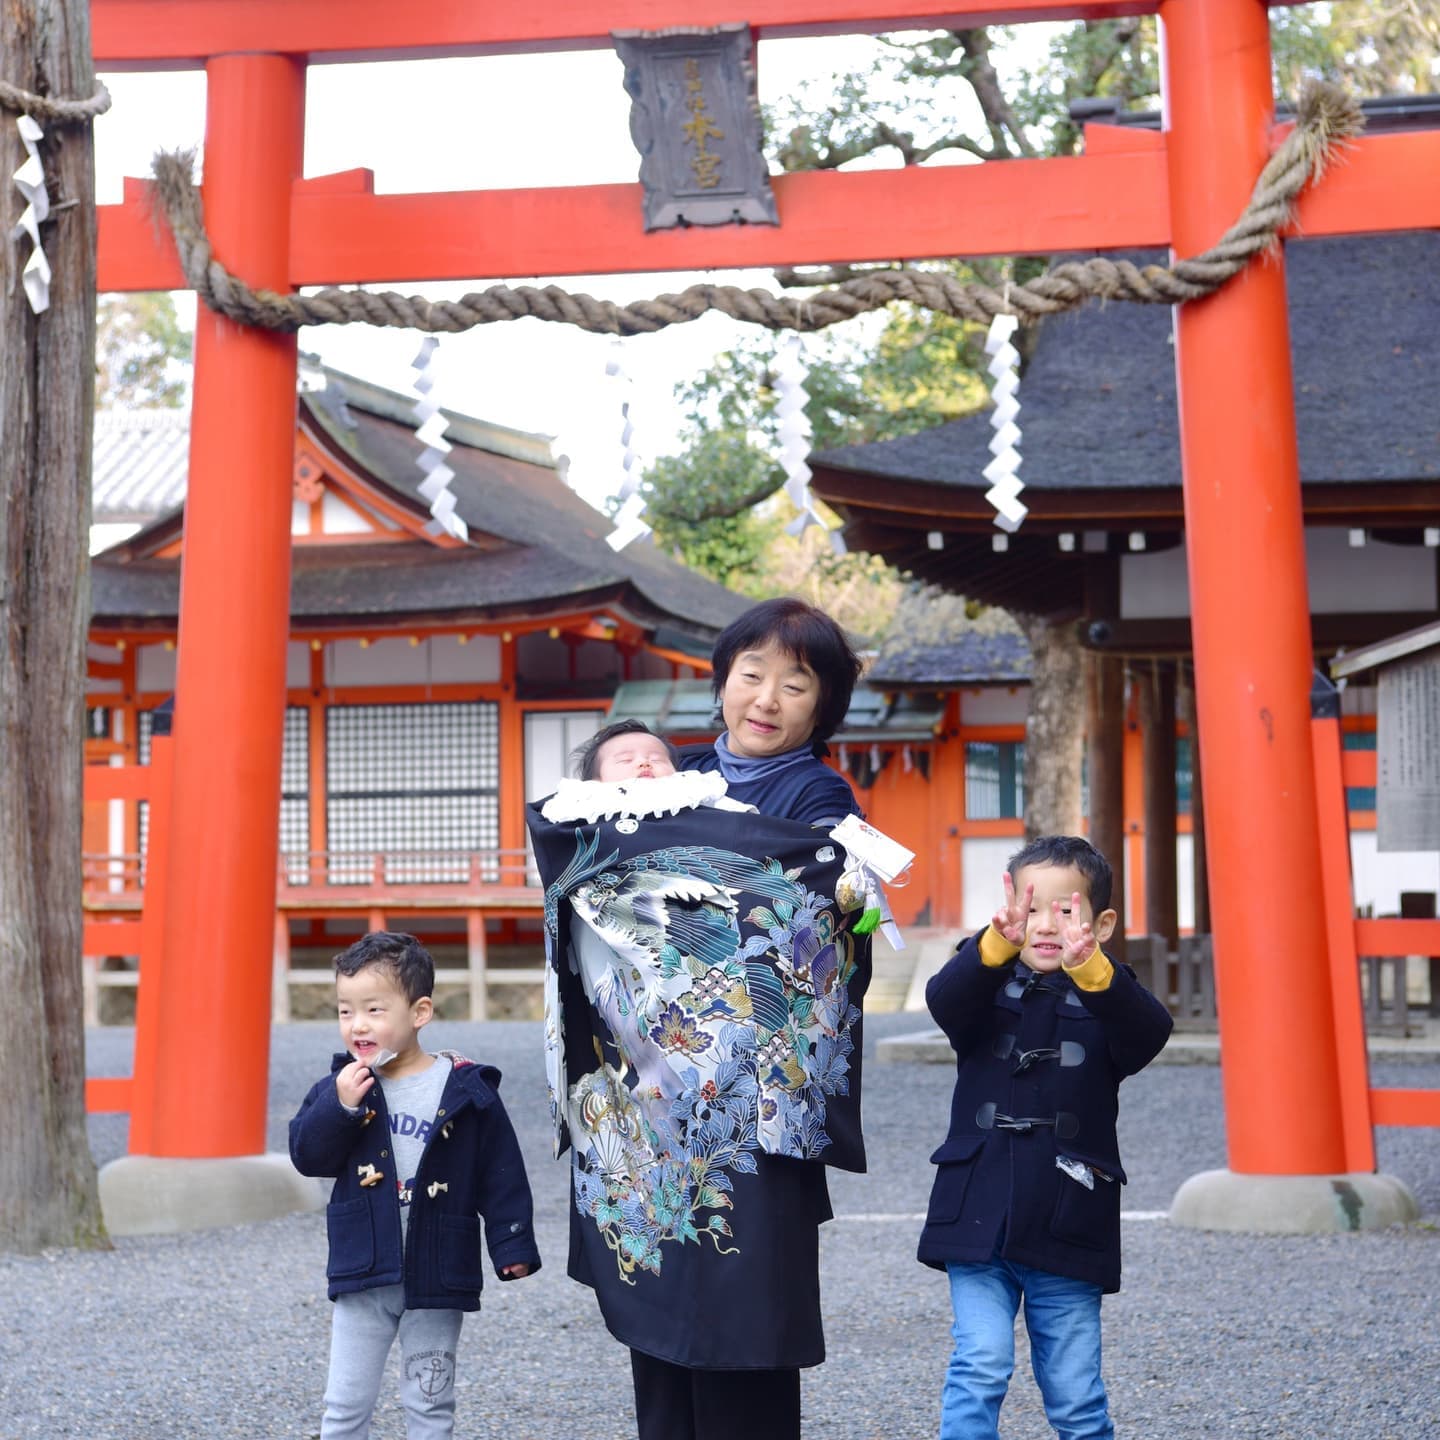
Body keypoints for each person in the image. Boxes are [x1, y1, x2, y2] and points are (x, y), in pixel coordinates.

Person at [917, 836, 1173, 1440]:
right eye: (1031, 909)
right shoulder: (982, 982)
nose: (1047, 924)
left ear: (1101, 923)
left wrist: (1093, 971)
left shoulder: (1109, 995)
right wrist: (992, 946)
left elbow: (1148, 1034)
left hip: (1068, 1218)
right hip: (978, 1215)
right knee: (980, 1363)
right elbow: (944, 1001)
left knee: (1076, 1393)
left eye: (1066, 909)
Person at [289, 931, 541, 1440]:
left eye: (374, 1010)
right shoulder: (343, 1087)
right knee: (345, 1403)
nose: (357, 1025)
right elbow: (308, 1157)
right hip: (363, 1269)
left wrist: (512, 1243)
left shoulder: (466, 1089)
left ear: (419, 1012)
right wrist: (340, 1107)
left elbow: (501, 1171)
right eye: (345, 1011)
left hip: (438, 1268)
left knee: (430, 1399)